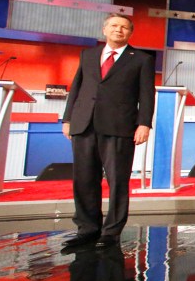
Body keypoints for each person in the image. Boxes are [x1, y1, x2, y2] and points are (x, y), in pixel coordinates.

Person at [61, 13, 154, 251]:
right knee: (83, 179)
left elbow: (146, 94)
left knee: (117, 181)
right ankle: (87, 228)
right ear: (104, 29)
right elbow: (77, 87)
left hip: (119, 126)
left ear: (130, 33)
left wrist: (144, 123)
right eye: (114, 25)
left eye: (124, 27)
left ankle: (111, 232)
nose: (118, 30)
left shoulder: (141, 59)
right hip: (84, 124)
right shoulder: (88, 55)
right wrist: (68, 118)